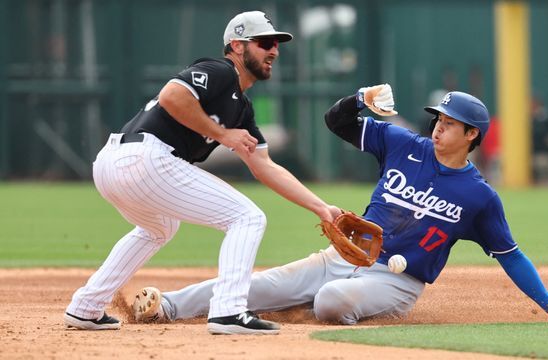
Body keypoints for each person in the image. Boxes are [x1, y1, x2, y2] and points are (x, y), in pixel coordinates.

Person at [131, 86, 548, 326]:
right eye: (438, 119)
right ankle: (165, 306)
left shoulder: (479, 196)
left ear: (472, 135)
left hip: (396, 282)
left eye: (451, 123)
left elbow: (511, 255)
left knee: (331, 302)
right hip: (342, 255)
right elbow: (337, 120)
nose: (439, 127)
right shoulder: (402, 144)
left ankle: (307, 313)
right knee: (258, 284)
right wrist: (359, 97)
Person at [63, 10, 341, 335]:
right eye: (265, 42)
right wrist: (222, 135)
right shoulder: (220, 70)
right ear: (237, 46)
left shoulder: (242, 109)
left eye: (276, 44)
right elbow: (172, 96)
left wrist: (320, 207)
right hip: (144, 158)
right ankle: (228, 311)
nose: (274, 50)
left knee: (160, 228)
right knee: (247, 218)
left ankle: (85, 307)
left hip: (117, 163)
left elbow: (265, 166)